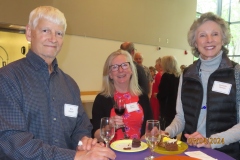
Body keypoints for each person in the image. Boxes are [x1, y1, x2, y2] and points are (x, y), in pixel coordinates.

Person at [0, 6, 116, 160]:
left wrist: (83, 142)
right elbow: (15, 142)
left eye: (59, 33)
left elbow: (80, 127)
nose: (53, 38)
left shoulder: (70, 84)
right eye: (45, 31)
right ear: (29, 33)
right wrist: (76, 156)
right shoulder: (8, 78)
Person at [164, 12, 240, 159]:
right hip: (189, 152)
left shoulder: (236, 74)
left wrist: (211, 141)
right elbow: (181, 117)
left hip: (225, 154)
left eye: (215, 34)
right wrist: (167, 133)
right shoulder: (186, 74)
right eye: (203, 35)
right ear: (195, 42)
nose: (209, 40)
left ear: (223, 39)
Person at [92, 49, 153, 142]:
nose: (120, 70)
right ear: (110, 74)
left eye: (124, 65)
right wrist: (110, 127)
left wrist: (151, 134)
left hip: (138, 151)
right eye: (115, 67)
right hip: (113, 154)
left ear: (131, 70)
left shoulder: (143, 97)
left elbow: (150, 128)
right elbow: (96, 135)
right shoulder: (102, 99)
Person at [157, 56, 180, 130]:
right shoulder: (178, 76)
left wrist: (156, 95)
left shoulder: (166, 76)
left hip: (167, 108)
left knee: (165, 129)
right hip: (176, 107)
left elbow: (163, 94)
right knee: (173, 128)